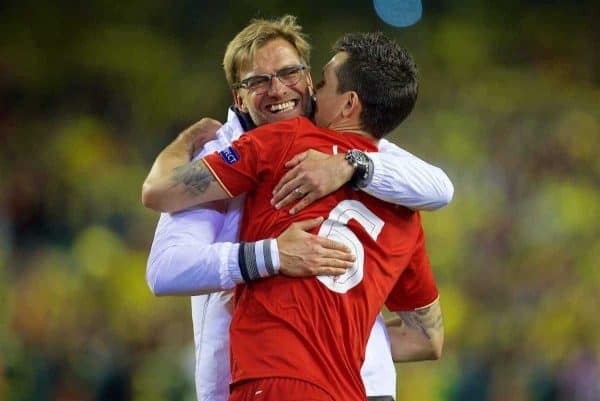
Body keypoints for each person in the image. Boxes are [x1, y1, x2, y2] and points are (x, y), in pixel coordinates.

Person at [143, 16, 452, 401]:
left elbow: (157, 191)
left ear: (311, 82)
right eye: (257, 80)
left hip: (275, 379)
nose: (277, 89)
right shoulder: (401, 194)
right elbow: (428, 339)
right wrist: (335, 337)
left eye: (294, 74)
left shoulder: (285, 143)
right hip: (353, 388)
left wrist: (183, 143)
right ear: (238, 97)